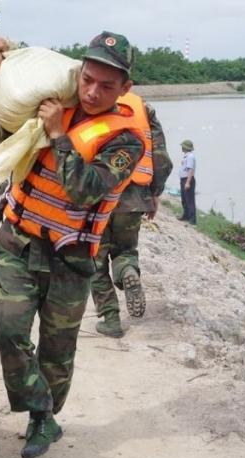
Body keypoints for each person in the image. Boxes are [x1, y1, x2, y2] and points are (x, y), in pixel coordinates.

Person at [0, 32, 145, 458]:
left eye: (107, 86)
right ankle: (39, 408)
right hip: (18, 240)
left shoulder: (126, 141)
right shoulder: (51, 103)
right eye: (87, 79)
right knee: (10, 332)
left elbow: (84, 190)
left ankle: (41, 420)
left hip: (71, 258)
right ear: (78, 73)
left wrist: (57, 134)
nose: (92, 91)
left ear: (125, 89)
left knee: (56, 349)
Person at [90, 92, 173, 337]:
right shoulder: (143, 108)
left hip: (98, 196)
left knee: (95, 259)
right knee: (125, 251)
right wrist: (154, 192)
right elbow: (161, 157)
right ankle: (127, 271)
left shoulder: (91, 100)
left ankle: (111, 318)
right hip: (135, 197)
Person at [178, 139, 196, 224]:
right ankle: (186, 215)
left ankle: (192, 219)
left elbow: (190, 170)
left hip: (187, 179)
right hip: (183, 179)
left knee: (189, 200)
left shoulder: (190, 157)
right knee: (184, 199)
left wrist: (188, 182)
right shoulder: (186, 156)